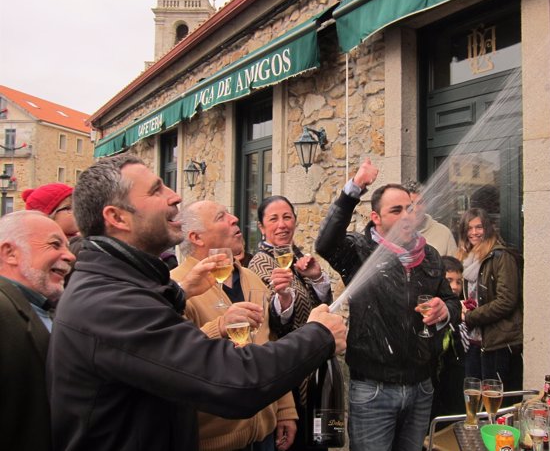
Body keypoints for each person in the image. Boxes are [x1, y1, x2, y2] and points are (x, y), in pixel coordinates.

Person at [47, 154, 346, 451]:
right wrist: (319, 335)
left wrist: (177, 293)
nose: (174, 196)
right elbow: (234, 381)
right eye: (156, 190)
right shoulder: (108, 304)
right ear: (117, 218)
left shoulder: (122, 286)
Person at [314, 158, 460, 451]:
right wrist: (354, 188)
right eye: (396, 210)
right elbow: (325, 244)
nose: (407, 216)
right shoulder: (359, 251)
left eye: (410, 208)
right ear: (376, 218)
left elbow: (451, 302)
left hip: (421, 387)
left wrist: (445, 311)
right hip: (373, 391)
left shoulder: (429, 255)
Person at [174, 200, 297, 451]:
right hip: (214, 442)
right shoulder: (175, 287)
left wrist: (284, 409)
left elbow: (269, 344)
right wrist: (219, 326)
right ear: (196, 237)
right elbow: (173, 358)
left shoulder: (251, 278)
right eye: (222, 217)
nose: (235, 219)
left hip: (264, 435)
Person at [248, 195, 333, 450]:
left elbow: (321, 307)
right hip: (287, 371)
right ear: (262, 227)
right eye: (273, 219)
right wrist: (283, 297)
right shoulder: (259, 262)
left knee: (317, 441)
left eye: (287, 217)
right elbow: (273, 321)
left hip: (313, 367)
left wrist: (317, 277)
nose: (282, 224)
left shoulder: (297, 258)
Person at [0, 210, 75, 451]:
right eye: (55, 244)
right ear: (10, 253)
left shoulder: (48, 309)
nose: (70, 256)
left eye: (68, 245)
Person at [457, 207, 523, 397]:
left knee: (495, 404)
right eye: (469, 228)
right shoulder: (466, 259)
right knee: (473, 400)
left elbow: (506, 301)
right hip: (473, 342)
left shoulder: (501, 257)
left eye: (479, 227)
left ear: (488, 228)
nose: (474, 233)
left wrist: (470, 317)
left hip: (497, 343)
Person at [431, 256, 466, 421]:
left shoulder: (459, 311)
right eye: (449, 280)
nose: (455, 286)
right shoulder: (432, 313)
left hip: (453, 386)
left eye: (459, 282)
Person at [405, 180, 458, 257]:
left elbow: (455, 267)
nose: (415, 209)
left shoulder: (444, 234)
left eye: (420, 203)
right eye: (411, 204)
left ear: (426, 204)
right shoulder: (394, 234)